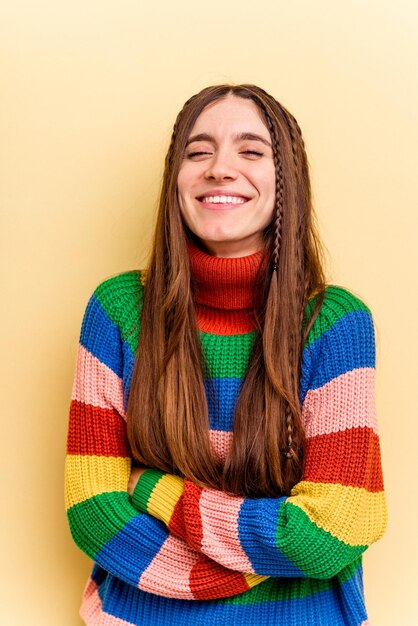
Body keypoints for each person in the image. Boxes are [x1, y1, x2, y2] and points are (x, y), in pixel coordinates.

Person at [65, 84, 387, 626]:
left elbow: (331, 533)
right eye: (198, 151)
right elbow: (92, 512)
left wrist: (153, 487)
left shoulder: (336, 325)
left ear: (286, 179)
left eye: (251, 150)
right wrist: (264, 545)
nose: (220, 168)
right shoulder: (118, 311)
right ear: (177, 179)